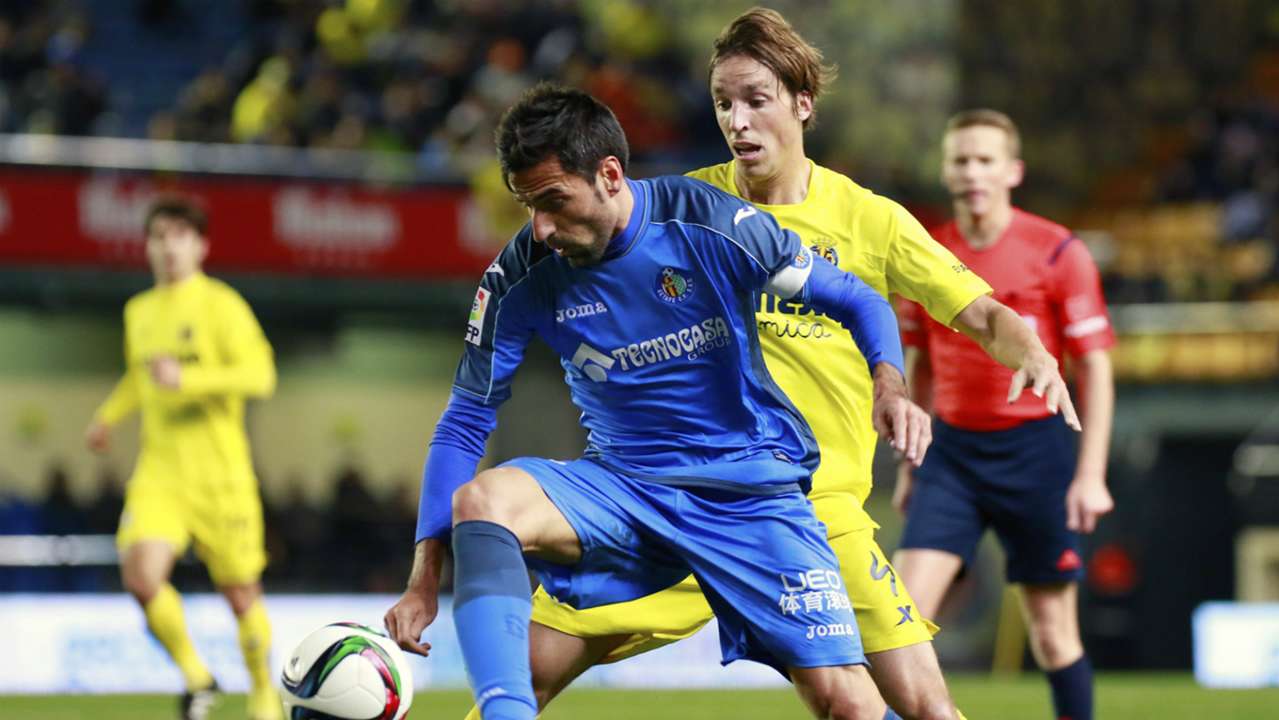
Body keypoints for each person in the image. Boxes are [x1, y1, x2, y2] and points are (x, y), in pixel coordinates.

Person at [456, 9, 1082, 720]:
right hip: (673, 501)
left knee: (924, 709)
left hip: (819, 510)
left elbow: (980, 314)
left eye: (757, 99)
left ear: (802, 104)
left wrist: (1027, 346)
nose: (738, 121)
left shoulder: (869, 220)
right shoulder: (683, 209)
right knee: (519, 680)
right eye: (724, 103)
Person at [384, 82, 934, 720]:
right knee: (483, 502)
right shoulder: (520, 275)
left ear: (610, 174)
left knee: (850, 706)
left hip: (748, 495)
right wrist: (424, 580)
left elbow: (858, 299)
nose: (541, 227)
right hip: (625, 487)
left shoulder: (709, 222)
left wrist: (890, 383)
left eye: (554, 201)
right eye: (527, 205)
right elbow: (464, 423)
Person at [892, 109, 1115, 720]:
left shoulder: (1058, 252)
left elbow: (1094, 367)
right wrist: (914, 464)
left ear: (1012, 171)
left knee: (1052, 635)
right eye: (961, 160)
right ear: (946, 170)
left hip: (1035, 453)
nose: (972, 172)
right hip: (953, 458)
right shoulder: (925, 253)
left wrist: (1090, 474)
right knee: (899, 623)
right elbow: (923, 362)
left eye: (985, 159)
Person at [85, 197, 281, 720]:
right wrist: (107, 417)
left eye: (179, 235)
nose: (168, 246)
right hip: (160, 472)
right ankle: (198, 676)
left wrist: (188, 379)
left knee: (241, 595)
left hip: (221, 474)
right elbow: (140, 375)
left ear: (201, 245)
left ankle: (263, 690)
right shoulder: (139, 312)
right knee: (141, 576)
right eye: (159, 236)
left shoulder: (222, 305)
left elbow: (260, 375)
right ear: (147, 246)